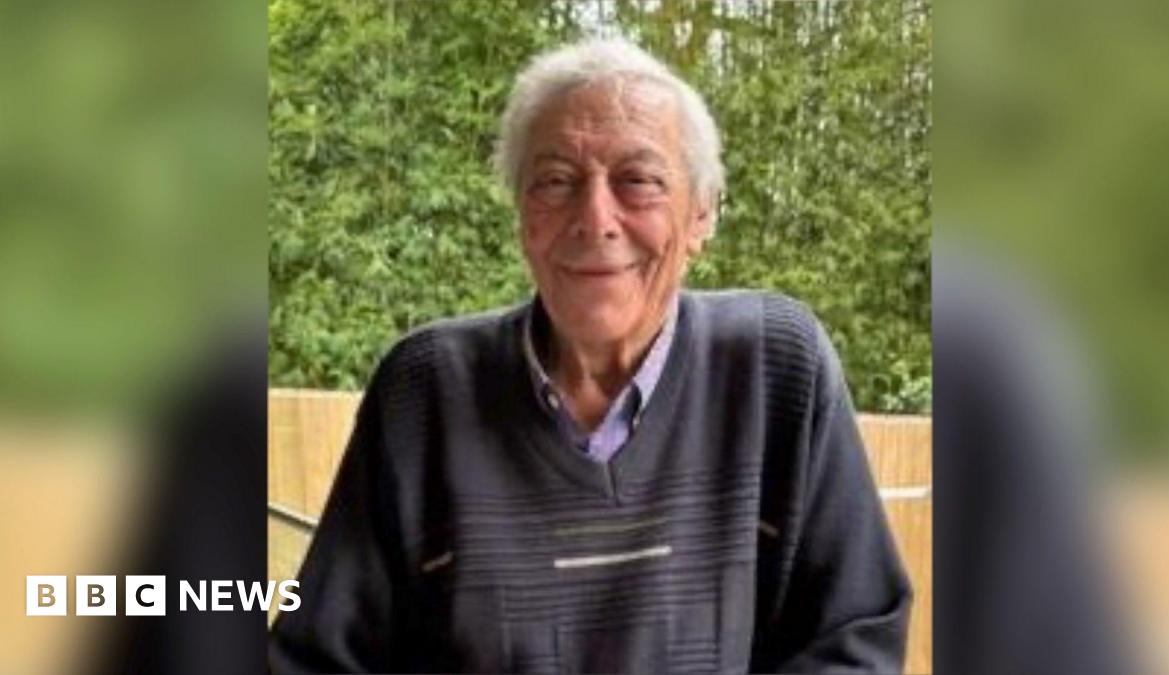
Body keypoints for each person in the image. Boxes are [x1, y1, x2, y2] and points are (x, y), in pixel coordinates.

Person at [269, 38, 911, 674]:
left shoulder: (777, 370)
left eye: (639, 180)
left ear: (701, 217)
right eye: (556, 181)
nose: (595, 218)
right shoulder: (424, 391)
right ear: (523, 216)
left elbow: (854, 638)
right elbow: (317, 657)